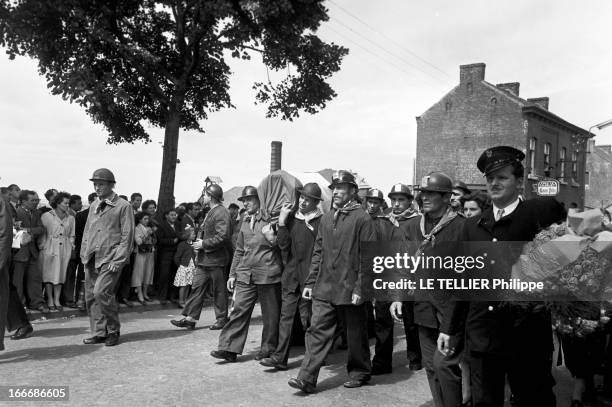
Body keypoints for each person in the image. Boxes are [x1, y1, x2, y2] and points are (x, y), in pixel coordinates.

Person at [444, 146, 566, 407]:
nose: (494, 183)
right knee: (485, 401)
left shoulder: (538, 214)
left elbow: (567, 242)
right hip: (483, 334)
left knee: (534, 400)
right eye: (490, 178)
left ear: (519, 182)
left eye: (502, 177)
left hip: (527, 335)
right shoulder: (472, 226)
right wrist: (449, 328)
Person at [288, 170, 376, 393]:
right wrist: (309, 283)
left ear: (353, 191)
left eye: (341, 188)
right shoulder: (327, 218)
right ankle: (307, 378)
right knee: (317, 330)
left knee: (355, 333)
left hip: (350, 287)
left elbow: (369, 257)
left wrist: (361, 288)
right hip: (324, 287)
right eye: (334, 188)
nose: (336, 192)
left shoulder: (362, 218)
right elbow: (318, 252)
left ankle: (360, 372)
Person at [390, 173, 465, 407]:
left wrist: (451, 322)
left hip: (450, 310)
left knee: (445, 366)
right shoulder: (413, 226)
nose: (424, 198)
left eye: (431, 193)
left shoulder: (461, 227)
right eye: (423, 193)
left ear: (446, 197)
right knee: (431, 367)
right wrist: (398, 297)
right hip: (423, 308)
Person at [211, 186, 281, 362]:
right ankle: (229, 348)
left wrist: (273, 235)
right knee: (238, 309)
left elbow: (281, 245)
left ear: (260, 200)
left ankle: (268, 349)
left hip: (267, 273)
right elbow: (240, 250)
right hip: (245, 273)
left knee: (270, 314)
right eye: (244, 200)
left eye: (250, 199)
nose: (246, 203)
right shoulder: (244, 220)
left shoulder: (270, 219)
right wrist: (233, 274)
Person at [259, 183, 324, 371]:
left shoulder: (321, 221)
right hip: (291, 275)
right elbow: (283, 246)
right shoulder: (291, 219)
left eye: (308, 199)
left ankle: (316, 357)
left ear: (315, 203)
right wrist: (281, 222)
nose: (303, 202)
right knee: (285, 317)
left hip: (312, 278)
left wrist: (314, 278)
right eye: (302, 198)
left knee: (311, 319)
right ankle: (280, 357)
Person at [371, 183, 422, 375]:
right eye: (394, 200)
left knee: (410, 320)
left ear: (410, 201)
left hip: (408, 276)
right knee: (382, 320)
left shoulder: (417, 221)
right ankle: (382, 362)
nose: (397, 204)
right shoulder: (382, 221)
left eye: (401, 200)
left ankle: (415, 357)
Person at [81, 168, 134, 347]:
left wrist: (117, 261)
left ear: (111, 185)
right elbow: (87, 231)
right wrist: (83, 254)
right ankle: (99, 332)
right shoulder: (94, 205)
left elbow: (127, 236)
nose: (97, 187)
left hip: (110, 259)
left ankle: (113, 330)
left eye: (101, 184)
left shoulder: (123, 206)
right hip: (91, 257)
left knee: (101, 292)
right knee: (91, 296)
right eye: (95, 184)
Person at [172, 184, 230, 330]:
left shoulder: (221, 212)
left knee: (219, 291)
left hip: (216, 260)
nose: (203, 197)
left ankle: (222, 318)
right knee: (197, 288)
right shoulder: (211, 211)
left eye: (204, 194)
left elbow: (223, 236)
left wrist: (204, 244)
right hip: (205, 260)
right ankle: (190, 318)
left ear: (210, 196)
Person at [40, 192, 75, 311]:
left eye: (68, 203)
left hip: (64, 248)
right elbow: (42, 233)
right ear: (58, 203)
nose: (67, 205)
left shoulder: (70, 218)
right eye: (65, 203)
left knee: (61, 274)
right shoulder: (47, 216)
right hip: (50, 247)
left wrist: (71, 245)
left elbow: (72, 235)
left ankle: (57, 300)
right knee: (49, 274)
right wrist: (43, 246)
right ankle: (50, 299)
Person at [12, 190, 46, 311]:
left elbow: (41, 229)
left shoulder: (36, 213)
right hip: (19, 253)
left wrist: (27, 230)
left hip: (32, 252)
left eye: (37, 200)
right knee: (18, 281)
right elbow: (15, 231)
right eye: (33, 200)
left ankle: (37, 303)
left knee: (34, 279)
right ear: (24, 201)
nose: (36, 202)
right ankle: (20, 305)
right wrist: (31, 230)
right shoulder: (15, 212)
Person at [73, 193, 97, 311]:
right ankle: (80, 300)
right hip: (85, 250)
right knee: (83, 275)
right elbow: (77, 236)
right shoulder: (81, 215)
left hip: (98, 251)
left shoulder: (103, 215)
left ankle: (92, 300)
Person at [155, 208, 181, 304]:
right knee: (164, 275)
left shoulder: (178, 224)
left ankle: (172, 296)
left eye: (175, 215)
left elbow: (180, 235)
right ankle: (162, 296)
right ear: (167, 216)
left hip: (176, 253)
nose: (174, 217)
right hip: (165, 254)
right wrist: (171, 241)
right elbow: (160, 240)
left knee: (173, 275)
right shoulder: (162, 226)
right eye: (172, 215)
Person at [132, 212, 156, 303]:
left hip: (150, 251)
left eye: (147, 219)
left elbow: (154, 240)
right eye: (144, 219)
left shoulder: (150, 228)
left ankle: (145, 293)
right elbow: (138, 242)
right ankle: (140, 293)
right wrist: (147, 234)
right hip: (140, 252)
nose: (147, 220)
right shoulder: (137, 228)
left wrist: (152, 234)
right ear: (140, 220)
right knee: (139, 272)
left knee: (148, 272)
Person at [173, 229, 195, 307]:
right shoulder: (182, 244)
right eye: (193, 234)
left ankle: (186, 300)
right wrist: (180, 265)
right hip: (184, 267)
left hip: (191, 268)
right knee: (183, 285)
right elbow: (177, 256)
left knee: (188, 285)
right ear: (188, 236)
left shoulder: (194, 244)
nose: (194, 235)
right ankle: (181, 302)